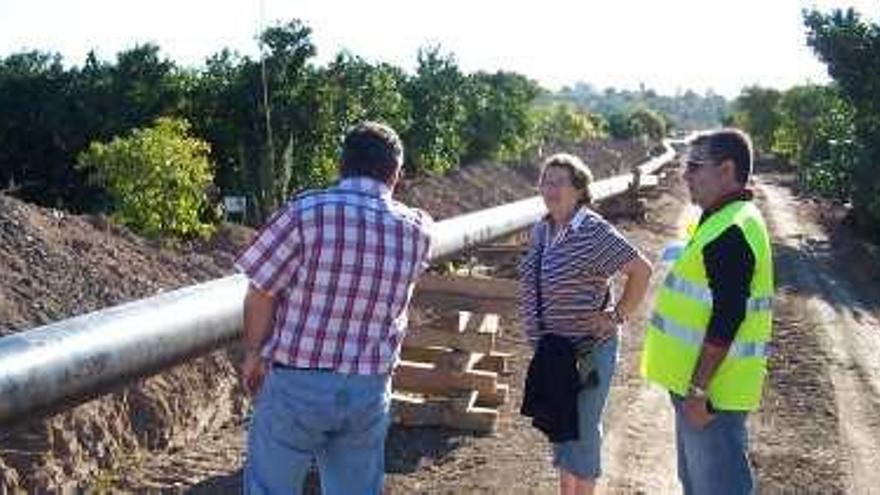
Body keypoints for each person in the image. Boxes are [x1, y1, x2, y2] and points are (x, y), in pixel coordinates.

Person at [235, 122, 433, 495]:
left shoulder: (304, 212)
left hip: (297, 384)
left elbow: (261, 290)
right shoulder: (419, 230)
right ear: (395, 174)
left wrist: (253, 353)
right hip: (368, 388)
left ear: (342, 164)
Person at [641, 129, 774, 494]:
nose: (685, 176)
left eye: (694, 167)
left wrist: (699, 391)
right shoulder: (723, 219)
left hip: (712, 395)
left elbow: (728, 317)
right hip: (703, 390)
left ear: (726, 170)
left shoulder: (732, 228)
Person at [519, 153, 653, 495]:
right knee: (560, 421)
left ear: (579, 190)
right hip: (553, 348)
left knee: (582, 425)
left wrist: (617, 315)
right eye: (545, 181)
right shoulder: (542, 229)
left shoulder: (592, 231)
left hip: (587, 349)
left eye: (559, 181)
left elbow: (641, 270)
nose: (550, 188)